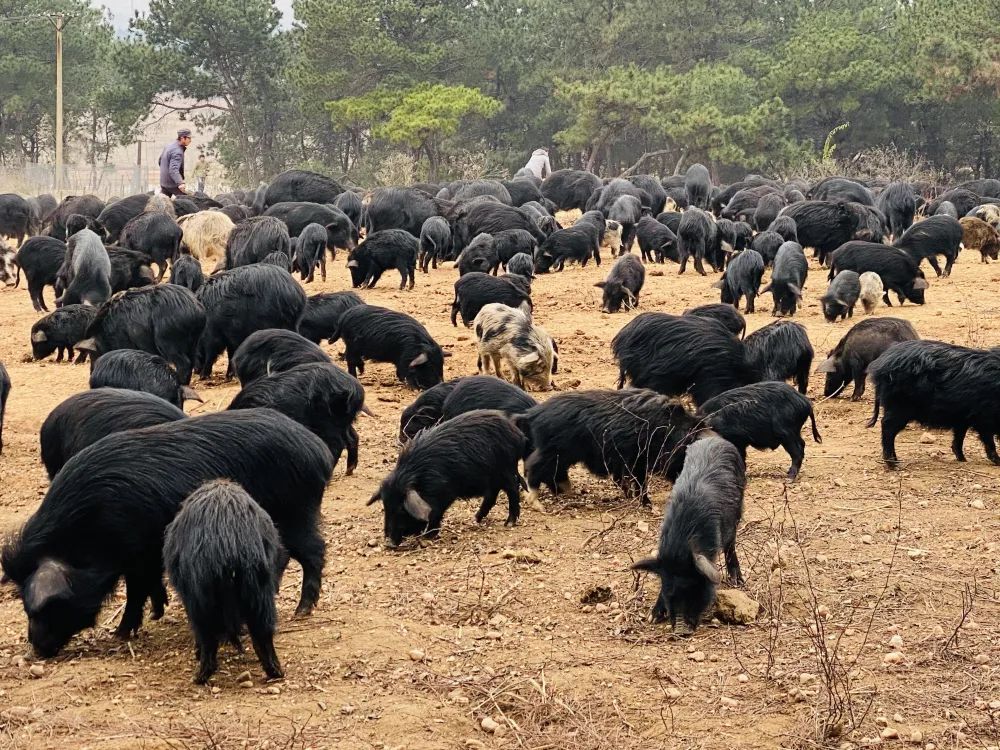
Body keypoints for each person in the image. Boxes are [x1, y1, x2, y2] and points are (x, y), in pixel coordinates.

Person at [158, 128, 192, 197]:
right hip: (173, 184)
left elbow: (160, 161)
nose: (190, 140)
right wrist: (180, 183)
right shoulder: (177, 151)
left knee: (163, 204)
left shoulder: (169, 146)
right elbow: (173, 169)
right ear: (182, 138)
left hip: (164, 183)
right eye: (189, 138)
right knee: (187, 203)